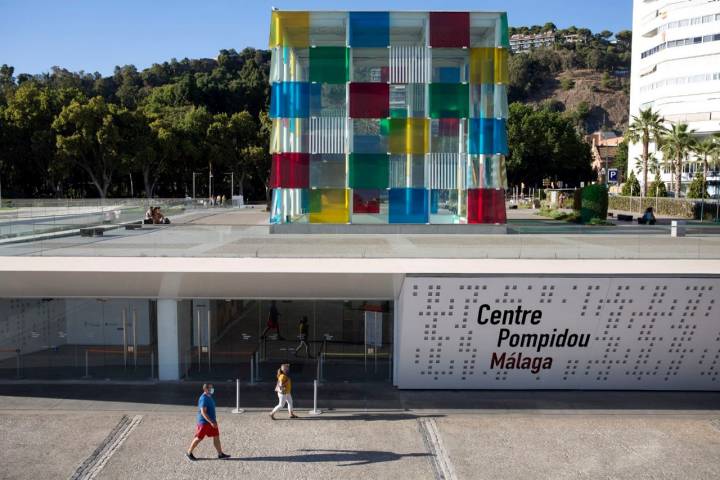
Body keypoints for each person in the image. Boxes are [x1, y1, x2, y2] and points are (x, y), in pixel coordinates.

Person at [186, 383, 230, 461]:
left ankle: (220, 454)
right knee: (198, 438)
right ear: (205, 389)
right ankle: (189, 453)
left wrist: (213, 421)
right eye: (210, 388)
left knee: (216, 436)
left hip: (212, 421)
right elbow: (203, 412)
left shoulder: (209, 396)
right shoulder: (203, 398)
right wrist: (211, 422)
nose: (212, 389)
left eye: (212, 387)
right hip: (204, 422)